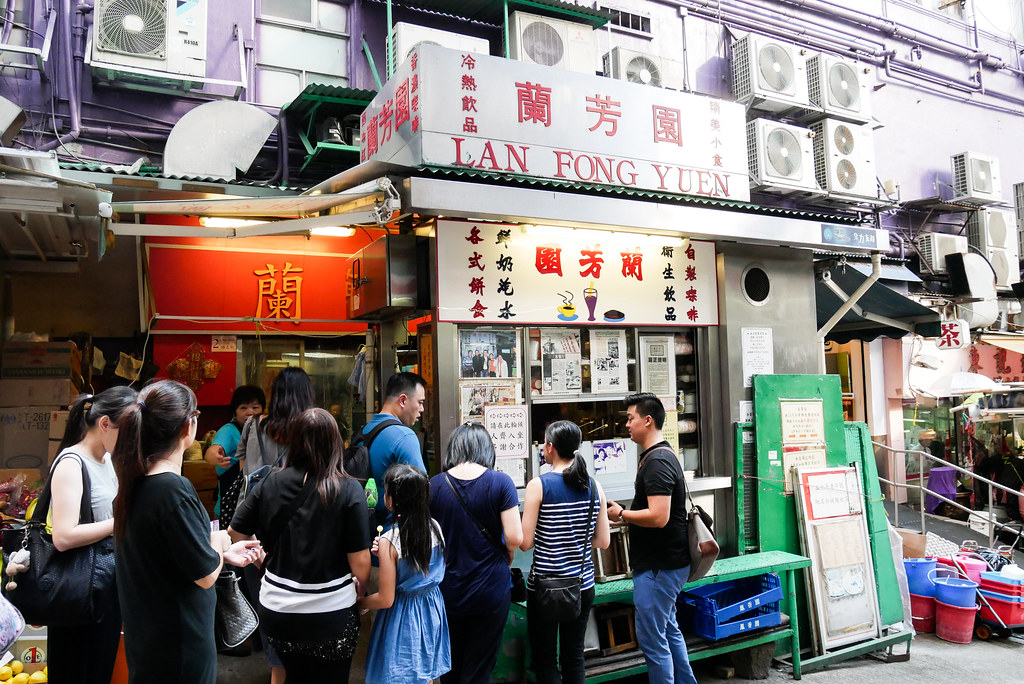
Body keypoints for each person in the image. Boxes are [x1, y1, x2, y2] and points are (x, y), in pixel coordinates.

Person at [112, 380, 261, 684]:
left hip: (151, 641)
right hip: (179, 647)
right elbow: (205, 575)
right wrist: (219, 541)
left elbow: (171, 556)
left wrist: (221, 553)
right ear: (188, 426)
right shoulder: (173, 489)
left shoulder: (137, 482)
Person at [229, 408, 372, 682]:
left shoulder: (271, 481)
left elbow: (236, 530)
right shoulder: (348, 489)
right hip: (332, 612)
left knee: (293, 675)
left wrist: (262, 560)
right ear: (334, 443)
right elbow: (360, 563)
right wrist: (361, 592)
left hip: (278, 611)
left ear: (294, 441)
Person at [46, 387, 136, 684]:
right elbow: (63, 535)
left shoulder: (108, 460)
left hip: (104, 584)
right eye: (128, 431)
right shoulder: (72, 463)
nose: (132, 440)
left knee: (100, 668)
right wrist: (120, 521)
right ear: (105, 424)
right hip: (77, 588)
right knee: (76, 670)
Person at [606, 393, 695, 684]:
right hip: (665, 565)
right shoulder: (659, 455)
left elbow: (659, 516)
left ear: (647, 420)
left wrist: (622, 514)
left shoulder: (657, 461)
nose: (627, 424)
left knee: (653, 639)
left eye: (630, 418)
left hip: (660, 567)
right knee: (668, 630)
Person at [234, 367, 315, 684]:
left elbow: (244, 470)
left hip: (256, 532)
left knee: (269, 611)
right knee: (304, 612)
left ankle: (277, 674)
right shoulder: (313, 428)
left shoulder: (253, 424)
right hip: (301, 531)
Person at [429, 423, 523, 684]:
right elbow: (515, 537)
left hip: (448, 588)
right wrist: (507, 551)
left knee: (450, 665)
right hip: (490, 589)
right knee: (479, 667)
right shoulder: (501, 482)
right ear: (486, 448)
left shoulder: (435, 485)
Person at [520, 420, 610, 684]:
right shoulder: (594, 486)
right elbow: (603, 540)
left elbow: (525, 543)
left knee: (545, 661)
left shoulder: (538, 486)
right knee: (574, 658)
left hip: (545, 588)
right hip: (582, 585)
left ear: (550, 447)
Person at [361, 464, 451, 683]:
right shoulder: (435, 527)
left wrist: (359, 602)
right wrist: (384, 550)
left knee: (399, 674)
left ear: (391, 500)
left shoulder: (390, 540)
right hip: (431, 609)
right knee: (425, 671)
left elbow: (386, 598)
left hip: (403, 617)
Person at [361, 372, 427, 528]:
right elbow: (422, 491)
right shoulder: (404, 436)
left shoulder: (364, 431)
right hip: (394, 536)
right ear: (403, 400)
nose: (422, 409)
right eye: (420, 402)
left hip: (367, 530)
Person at [205, 384, 265, 526]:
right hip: (230, 511)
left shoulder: (265, 432)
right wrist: (216, 457)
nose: (249, 412)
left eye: (255, 407)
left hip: (257, 510)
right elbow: (212, 452)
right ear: (235, 411)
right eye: (243, 408)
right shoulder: (229, 431)